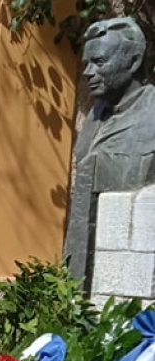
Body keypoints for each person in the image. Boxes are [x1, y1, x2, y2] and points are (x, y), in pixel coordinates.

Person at [64, 16, 155, 288]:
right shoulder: (95, 116)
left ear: (134, 61)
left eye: (99, 62)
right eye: (86, 64)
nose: (88, 72)